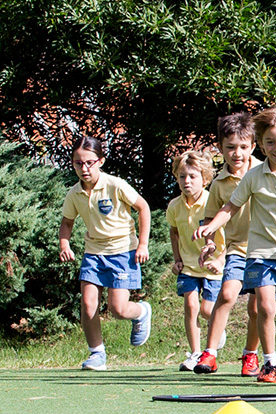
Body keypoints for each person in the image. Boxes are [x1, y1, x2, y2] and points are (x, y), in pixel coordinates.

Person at [196, 105, 276, 383]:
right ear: (262, 143)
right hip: (260, 252)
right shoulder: (253, 176)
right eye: (270, 142)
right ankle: (270, 363)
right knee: (264, 307)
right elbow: (230, 206)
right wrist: (210, 227)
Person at [59, 136, 153, 371]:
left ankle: (141, 311)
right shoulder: (74, 193)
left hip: (123, 252)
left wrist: (142, 244)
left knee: (118, 309)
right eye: (78, 163)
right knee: (88, 305)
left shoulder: (115, 184)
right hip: (93, 253)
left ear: (100, 161)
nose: (84, 168)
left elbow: (143, 207)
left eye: (90, 162)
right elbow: (67, 222)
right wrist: (64, 245)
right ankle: (96, 354)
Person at [193, 112, 265, 376]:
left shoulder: (263, 172)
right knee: (226, 295)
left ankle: (250, 355)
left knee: (257, 307)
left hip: (264, 250)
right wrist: (210, 243)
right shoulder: (219, 183)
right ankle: (210, 354)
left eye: (243, 147)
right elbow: (210, 218)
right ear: (220, 148)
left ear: (253, 147)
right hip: (236, 248)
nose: (237, 153)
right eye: (230, 147)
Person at [167, 150, 224, 371]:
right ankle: (195, 353)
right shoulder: (174, 206)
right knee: (191, 306)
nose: (187, 181)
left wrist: (219, 258)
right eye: (182, 176)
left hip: (213, 268)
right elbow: (175, 232)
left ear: (205, 178)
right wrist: (177, 259)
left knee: (208, 311)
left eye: (192, 176)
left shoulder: (213, 202)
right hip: (189, 267)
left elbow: (228, 235)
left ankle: (217, 332)